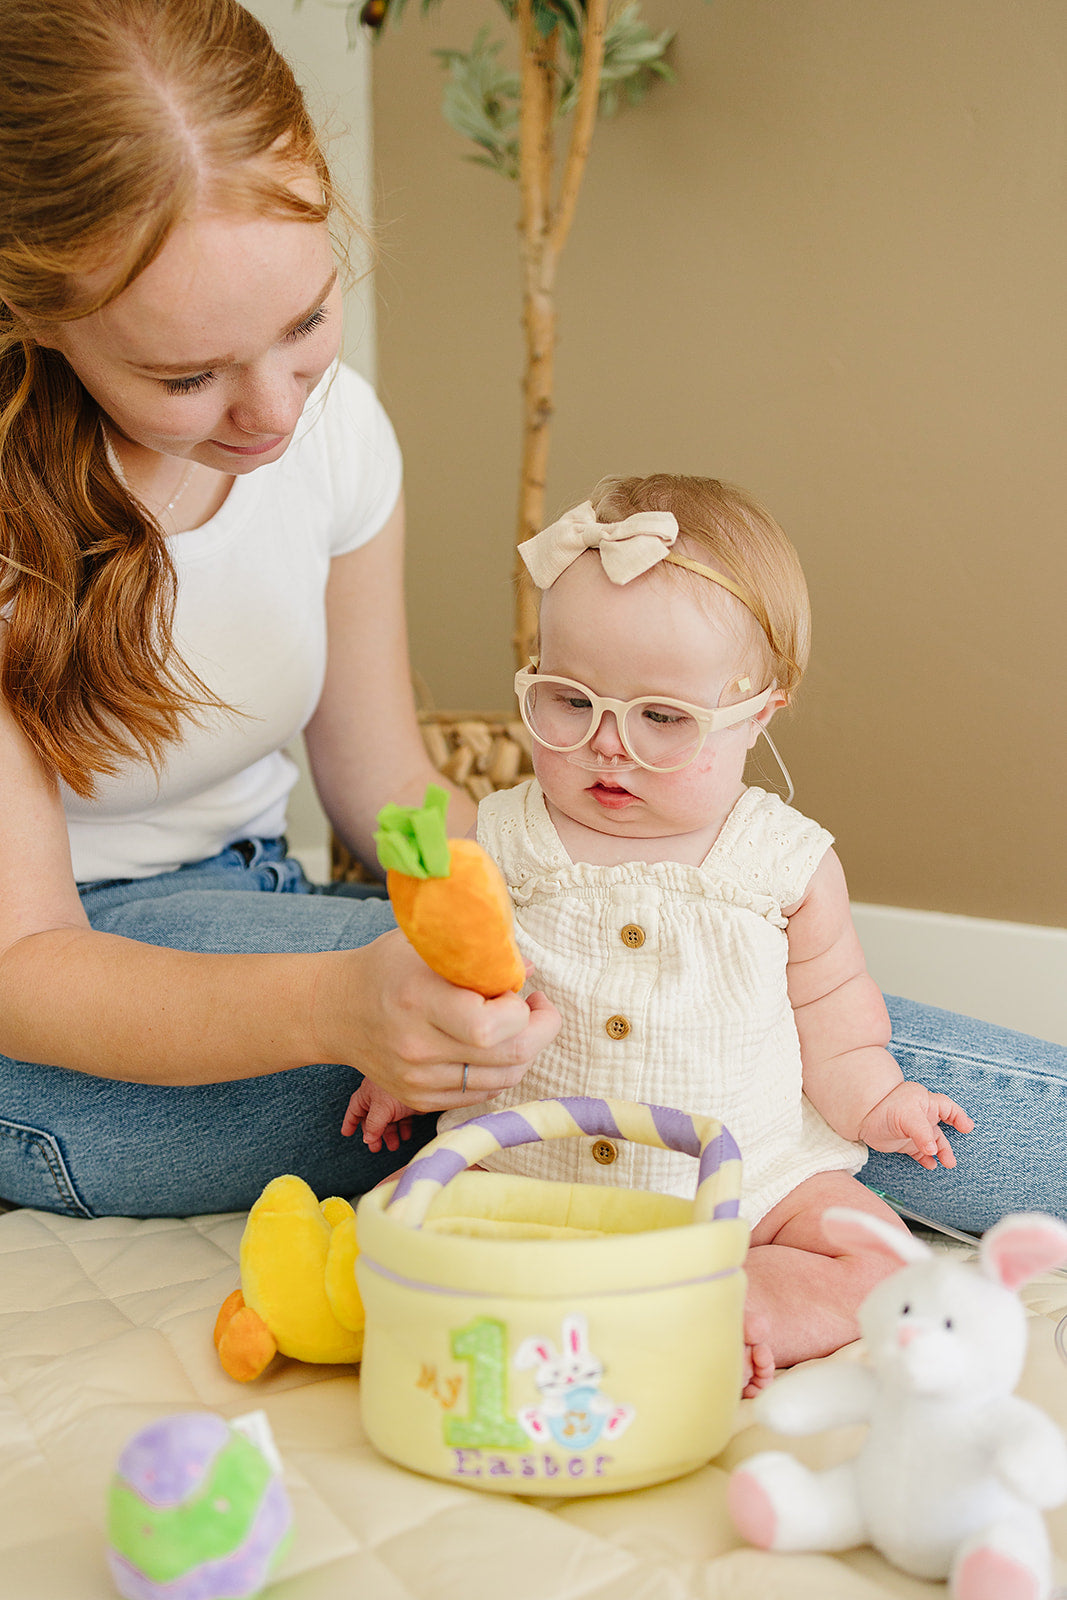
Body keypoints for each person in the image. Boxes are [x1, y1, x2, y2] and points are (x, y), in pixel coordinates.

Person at [0, 0, 560, 1220]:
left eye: (305, 324)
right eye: (185, 375)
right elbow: (23, 964)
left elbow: (384, 783)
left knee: (696, 999)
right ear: (40, 314)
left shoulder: (336, 429)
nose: (272, 411)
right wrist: (339, 1007)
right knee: (560, 1063)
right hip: (52, 1013)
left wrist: (565, 891)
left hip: (255, 905)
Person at [345, 475, 982, 1390]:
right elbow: (444, 969)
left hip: (748, 1181)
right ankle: (553, 1314)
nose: (608, 744)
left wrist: (876, 1098)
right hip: (528, 1176)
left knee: (880, 1252)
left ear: (758, 715)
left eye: (661, 719)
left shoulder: (782, 861)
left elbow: (832, 1003)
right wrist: (398, 1061)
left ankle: (742, 1302)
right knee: (392, 1240)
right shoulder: (501, 835)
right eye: (571, 702)